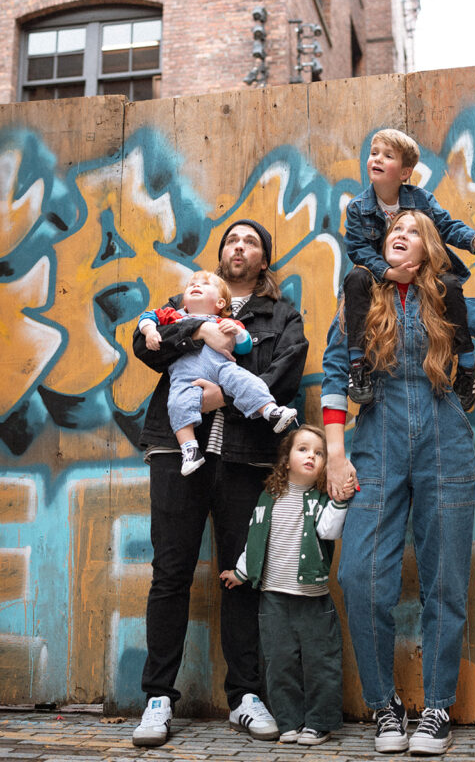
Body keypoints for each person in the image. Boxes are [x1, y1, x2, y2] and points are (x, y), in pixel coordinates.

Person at [322, 211, 475, 756]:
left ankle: (437, 708)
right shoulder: (361, 297)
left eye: (412, 229)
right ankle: (384, 707)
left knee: (444, 580)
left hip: (445, 439)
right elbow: (330, 374)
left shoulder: (450, 300)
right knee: (361, 576)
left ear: (430, 246)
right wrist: (337, 455)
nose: (399, 232)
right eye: (393, 228)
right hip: (374, 445)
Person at [132, 219, 309, 748]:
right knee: (170, 574)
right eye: (232, 240)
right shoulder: (187, 300)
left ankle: (246, 696)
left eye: (250, 241)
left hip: (244, 459)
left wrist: (223, 398)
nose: (239, 247)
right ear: (221, 254)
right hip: (175, 452)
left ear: (263, 259)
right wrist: (198, 330)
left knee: (241, 575)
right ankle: (158, 698)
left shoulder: (281, 315)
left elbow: (286, 372)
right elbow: (147, 346)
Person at [343, 129, 475, 411]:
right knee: (355, 277)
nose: (377, 159)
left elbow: (447, 227)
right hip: (379, 280)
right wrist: (389, 274)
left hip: (419, 275)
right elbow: (358, 249)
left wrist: (474, 239)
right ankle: (357, 364)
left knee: (449, 283)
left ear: (405, 172)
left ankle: (467, 365)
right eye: (374, 153)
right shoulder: (357, 207)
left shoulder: (421, 199)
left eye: (388, 156)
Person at [221, 425, 353, 747]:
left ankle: (319, 723)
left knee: (320, 663)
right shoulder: (269, 497)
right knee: (279, 663)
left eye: (319, 453)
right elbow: (256, 539)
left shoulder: (322, 499)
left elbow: (329, 531)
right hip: (273, 600)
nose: (311, 456)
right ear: (286, 458)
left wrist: (340, 500)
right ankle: (289, 722)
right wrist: (241, 571)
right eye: (303, 449)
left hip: (313, 599)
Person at [138, 270, 298, 476]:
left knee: (246, 382)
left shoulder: (224, 321)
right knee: (177, 404)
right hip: (185, 376)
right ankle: (189, 450)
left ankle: (270, 411)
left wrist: (238, 332)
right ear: (184, 301)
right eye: (191, 284)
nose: (196, 286)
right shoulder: (174, 315)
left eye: (205, 284)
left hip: (221, 368)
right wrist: (151, 331)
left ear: (221, 303)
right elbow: (147, 317)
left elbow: (244, 347)